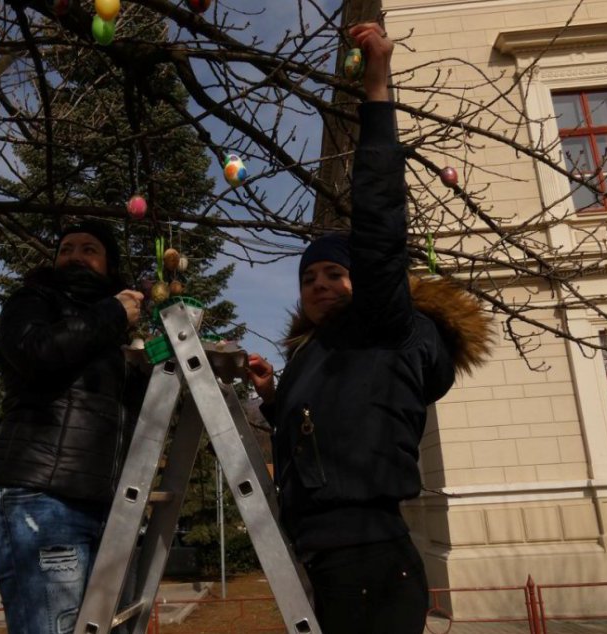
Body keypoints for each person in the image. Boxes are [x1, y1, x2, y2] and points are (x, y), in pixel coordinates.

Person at [246, 22, 492, 634]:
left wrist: (376, 87)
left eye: (336, 272)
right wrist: (275, 398)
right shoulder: (318, 351)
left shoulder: (383, 325)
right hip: (324, 554)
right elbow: (322, 436)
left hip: (367, 559)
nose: (322, 285)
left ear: (367, 282)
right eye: (311, 278)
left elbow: (381, 222)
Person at [0, 220, 147, 634]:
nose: (74, 256)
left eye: (89, 249)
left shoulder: (109, 336)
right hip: (40, 498)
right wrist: (112, 313)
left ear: (110, 267)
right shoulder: (35, 300)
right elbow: (36, 351)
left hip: (102, 505)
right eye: (66, 249)